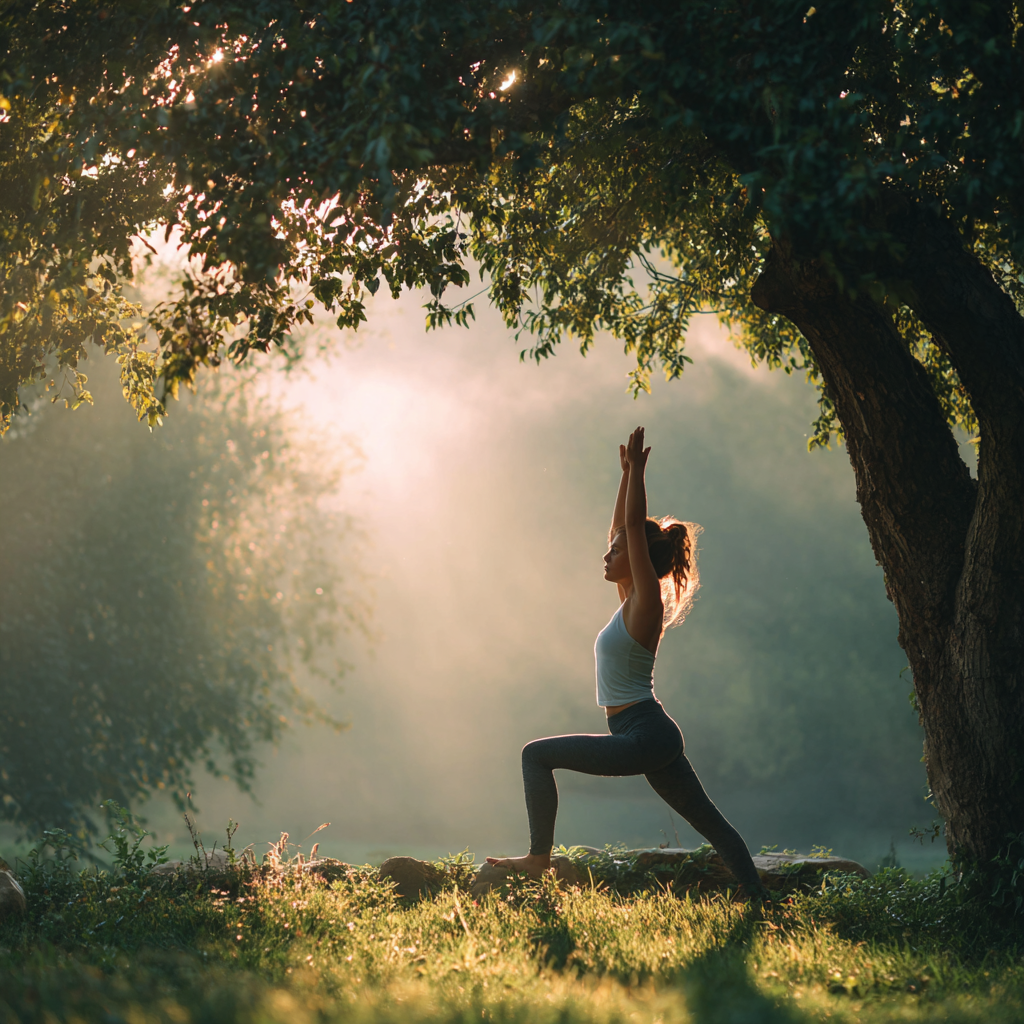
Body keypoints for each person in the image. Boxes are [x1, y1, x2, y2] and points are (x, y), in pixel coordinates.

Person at [486, 426, 767, 900]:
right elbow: (623, 530)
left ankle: (538, 860)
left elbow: (632, 531)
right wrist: (623, 478)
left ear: (637, 561)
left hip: (644, 733)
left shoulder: (646, 605)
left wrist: (638, 472)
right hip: (646, 734)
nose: (606, 552)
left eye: (615, 552)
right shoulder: (629, 599)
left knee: (536, 755)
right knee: (714, 825)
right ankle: (760, 901)